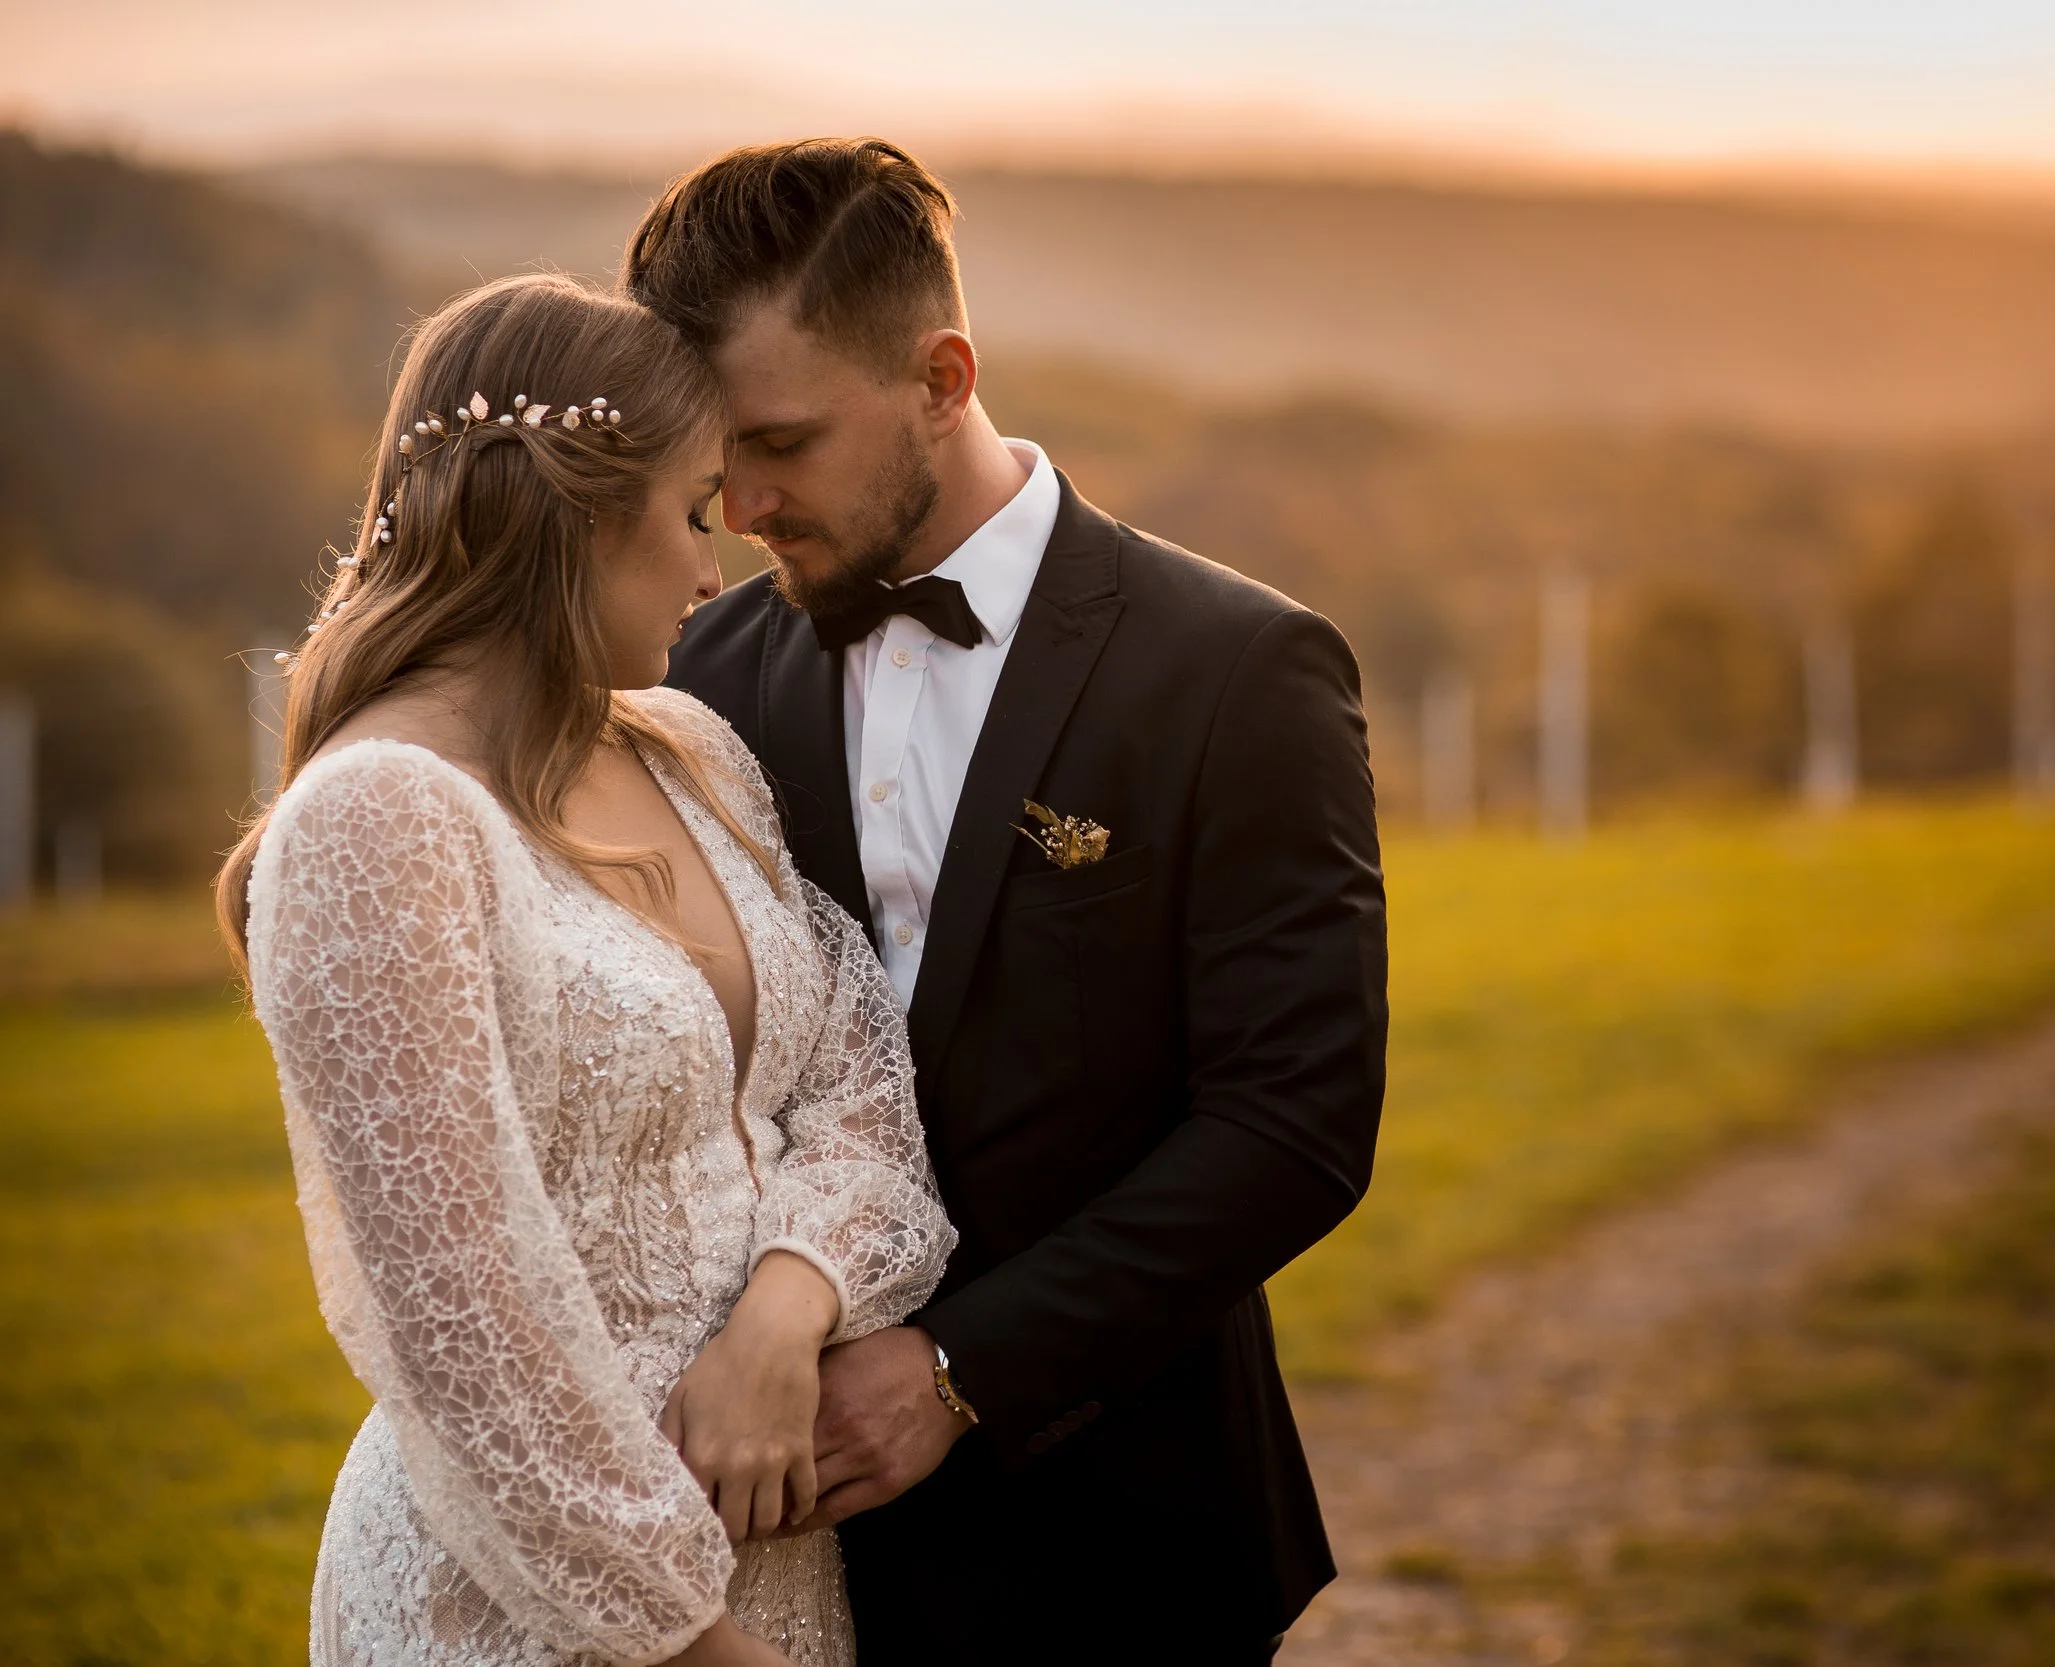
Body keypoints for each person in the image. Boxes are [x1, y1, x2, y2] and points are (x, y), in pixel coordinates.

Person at [630, 138, 1390, 1664]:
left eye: (781, 441)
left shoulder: (1238, 669)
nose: (742, 503)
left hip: (1122, 1528)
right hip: (777, 1548)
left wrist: (961, 1364)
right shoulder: (701, 674)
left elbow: (1293, 1122)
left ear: (942, 373)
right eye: (717, 456)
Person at [217, 273, 956, 1667]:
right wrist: (697, 1642)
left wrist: (783, 1313)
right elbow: (470, 1347)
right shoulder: (381, 818)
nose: (711, 568)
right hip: (528, 1603)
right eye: (689, 512)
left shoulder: (689, 749)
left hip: (782, 1567)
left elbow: (860, 1088)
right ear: (568, 513)